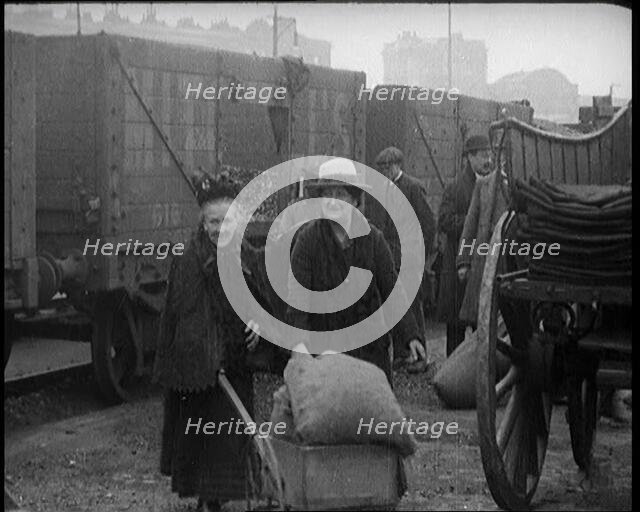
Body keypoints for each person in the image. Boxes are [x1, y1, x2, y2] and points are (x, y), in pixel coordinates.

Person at [153, 173, 271, 512]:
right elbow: (182, 315)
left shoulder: (247, 255)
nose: (218, 228)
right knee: (204, 440)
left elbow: (263, 304)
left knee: (230, 439)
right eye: (212, 221)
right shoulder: (189, 259)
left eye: (225, 220)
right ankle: (208, 500)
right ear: (202, 222)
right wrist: (205, 351)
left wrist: (258, 326)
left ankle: (221, 497)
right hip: (201, 370)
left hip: (236, 366)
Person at [286, 158, 426, 385]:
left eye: (339, 194)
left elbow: (392, 290)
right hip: (325, 350)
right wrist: (300, 347)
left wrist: (410, 335)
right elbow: (297, 301)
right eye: (326, 195)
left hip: (369, 352)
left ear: (354, 199)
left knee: (372, 412)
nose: (332, 202)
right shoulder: (307, 240)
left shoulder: (373, 239)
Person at [367, 147, 436, 364]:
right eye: (381, 168)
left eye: (387, 167)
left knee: (413, 304)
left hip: (409, 257)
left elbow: (428, 224)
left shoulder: (413, 188)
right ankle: (401, 354)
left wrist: (419, 254)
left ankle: (419, 356)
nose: (384, 171)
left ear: (398, 165)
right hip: (390, 255)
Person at [436, 135, 493, 356]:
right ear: (469, 157)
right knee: (456, 331)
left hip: (481, 266)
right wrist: (474, 224)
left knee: (483, 327)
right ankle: (451, 377)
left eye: (489, 154)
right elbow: (444, 220)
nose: (487, 160)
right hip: (458, 265)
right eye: (482, 155)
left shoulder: (494, 185)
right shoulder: (455, 187)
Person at [456, 146, 509, 326]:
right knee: (481, 316)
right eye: (503, 155)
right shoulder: (484, 184)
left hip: (512, 259)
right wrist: (463, 262)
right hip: (485, 260)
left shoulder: (522, 183)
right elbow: (470, 226)